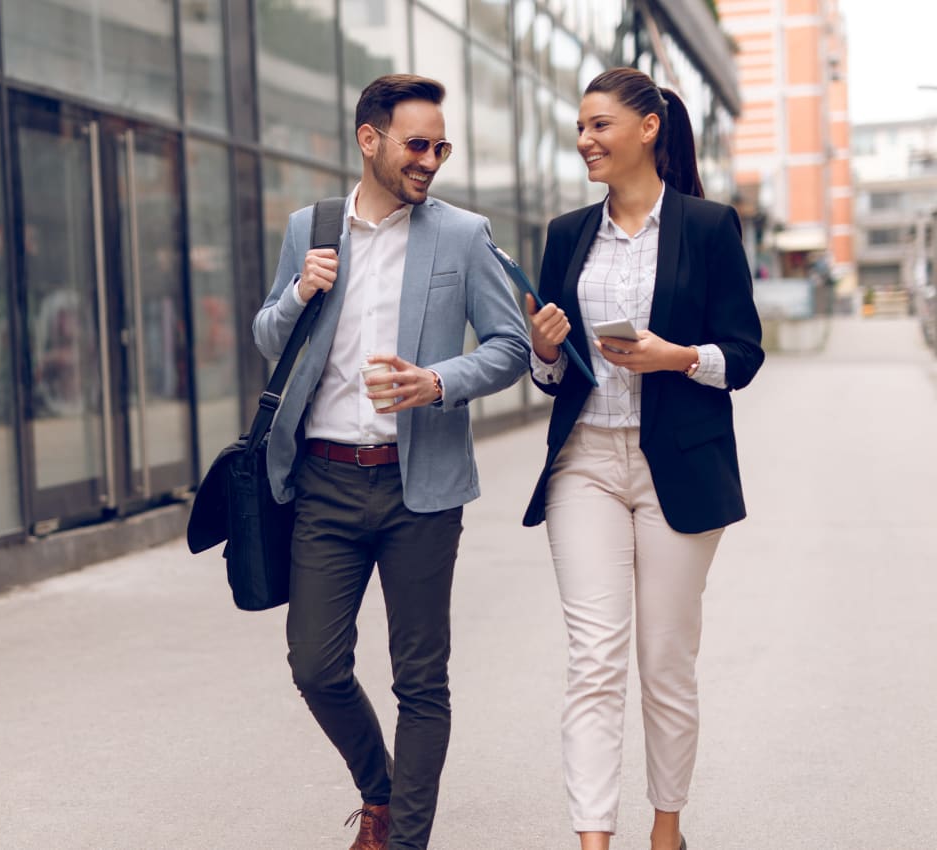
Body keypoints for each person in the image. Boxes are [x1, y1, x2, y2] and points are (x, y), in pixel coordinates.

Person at [253, 74, 529, 850]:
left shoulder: (462, 235)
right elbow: (269, 338)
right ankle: (380, 788)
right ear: (369, 140)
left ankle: (404, 839)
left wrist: (437, 381)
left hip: (422, 488)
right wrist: (297, 295)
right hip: (325, 481)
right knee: (315, 665)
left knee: (421, 681)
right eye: (417, 144)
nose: (431, 160)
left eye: (441, 146)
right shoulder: (309, 227)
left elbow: (509, 348)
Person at [522, 67, 764, 850]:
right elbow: (551, 375)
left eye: (599, 126)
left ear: (648, 129)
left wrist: (678, 357)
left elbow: (745, 355)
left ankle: (666, 830)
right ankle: (593, 839)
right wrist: (544, 352)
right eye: (582, 128)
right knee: (594, 660)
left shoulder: (708, 225)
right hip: (585, 462)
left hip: (679, 468)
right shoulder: (566, 234)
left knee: (664, 661)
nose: (585, 140)